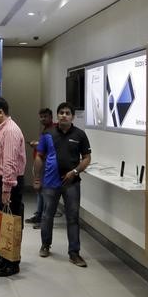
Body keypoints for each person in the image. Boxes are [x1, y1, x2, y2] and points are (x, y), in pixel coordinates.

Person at [33, 102, 92, 268]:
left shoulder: (80, 135)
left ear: (72, 116)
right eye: (61, 113)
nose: (64, 115)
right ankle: (45, 245)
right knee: (47, 215)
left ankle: (74, 253)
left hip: (72, 183)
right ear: (57, 116)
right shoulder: (48, 133)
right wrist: (37, 179)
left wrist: (74, 172)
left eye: (67, 113)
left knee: (73, 217)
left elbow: (87, 158)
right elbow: (39, 156)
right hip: (51, 182)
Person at [0, 97, 26, 277]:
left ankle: (12, 262)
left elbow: (10, 163)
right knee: (1, 221)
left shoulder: (10, 131)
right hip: (0, 182)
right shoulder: (0, 129)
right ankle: (3, 257)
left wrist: (6, 188)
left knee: (11, 223)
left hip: (8, 183)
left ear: (1, 112)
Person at [26, 108, 54, 227]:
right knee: (40, 192)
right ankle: (39, 216)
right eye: (41, 117)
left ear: (51, 117)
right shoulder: (46, 130)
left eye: (45, 116)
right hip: (42, 164)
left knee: (45, 193)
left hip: (48, 166)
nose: (43, 119)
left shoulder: (53, 129)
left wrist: (37, 144)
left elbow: (51, 146)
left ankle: (44, 220)